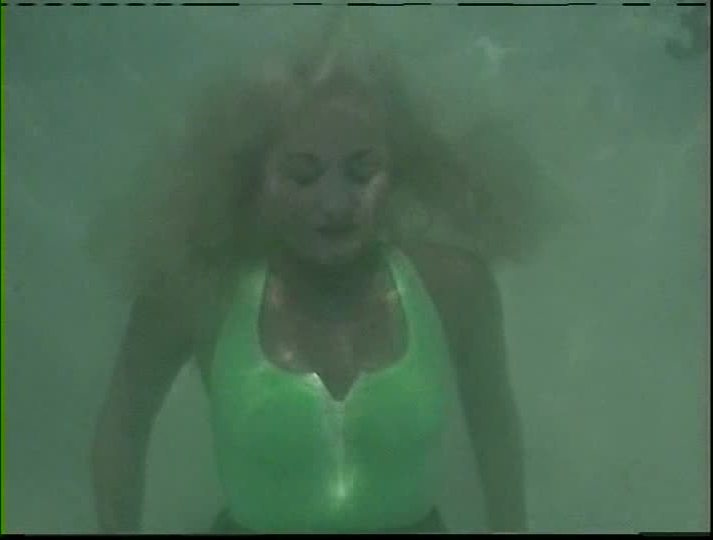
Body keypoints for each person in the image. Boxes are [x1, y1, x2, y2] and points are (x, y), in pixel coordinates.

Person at [89, 16, 535, 534]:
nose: (335, 202)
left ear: (400, 169)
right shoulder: (197, 290)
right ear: (251, 176)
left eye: (362, 170)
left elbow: (496, 435)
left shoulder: (454, 286)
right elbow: (122, 429)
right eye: (303, 174)